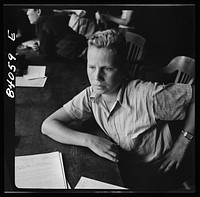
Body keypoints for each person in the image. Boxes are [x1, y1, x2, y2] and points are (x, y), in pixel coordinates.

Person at [41, 29, 195, 191]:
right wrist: (89, 141)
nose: (96, 77)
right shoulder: (92, 94)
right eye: (92, 67)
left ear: (122, 68)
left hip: (157, 172)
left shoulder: (148, 96)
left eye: (106, 69)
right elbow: (48, 125)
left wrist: (183, 142)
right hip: (124, 166)